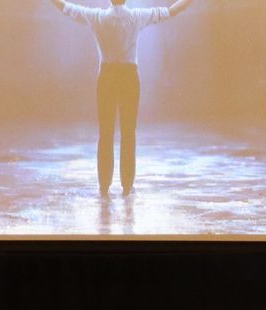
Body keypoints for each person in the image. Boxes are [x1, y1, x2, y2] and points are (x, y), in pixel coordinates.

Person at [45, 0, 198, 196]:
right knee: (128, 133)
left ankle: (104, 185)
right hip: (129, 76)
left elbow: (66, 8)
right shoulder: (136, 17)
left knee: (106, 132)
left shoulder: (97, 17)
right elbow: (171, 11)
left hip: (107, 76)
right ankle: (127, 185)